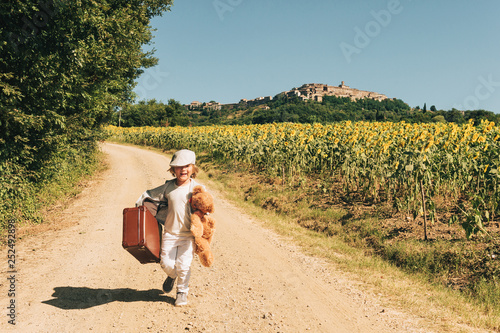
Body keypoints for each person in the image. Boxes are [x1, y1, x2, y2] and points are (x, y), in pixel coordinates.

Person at [135, 149, 204, 307]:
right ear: (173, 170)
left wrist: (203, 231)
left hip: (188, 236)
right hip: (170, 233)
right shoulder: (168, 188)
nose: (183, 169)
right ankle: (172, 276)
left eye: (186, 166)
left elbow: (206, 207)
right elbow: (149, 195)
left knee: (184, 265)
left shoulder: (197, 189)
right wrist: (140, 208)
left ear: (193, 168)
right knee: (165, 262)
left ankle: (182, 292)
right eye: (178, 166)